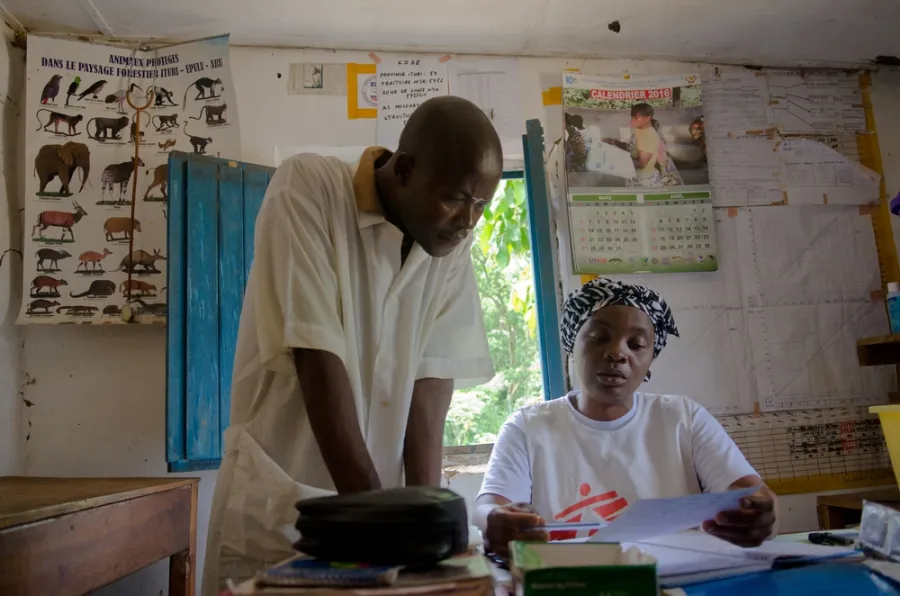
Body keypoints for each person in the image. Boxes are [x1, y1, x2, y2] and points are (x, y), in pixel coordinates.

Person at [203, 96, 503, 594]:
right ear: (404, 170)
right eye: (455, 197)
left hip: (376, 519)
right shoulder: (310, 188)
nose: (468, 220)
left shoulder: (450, 243)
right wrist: (384, 527)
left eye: (481, 205)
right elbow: (317, 356)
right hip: (285, 511)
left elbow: (430, 388)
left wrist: (430, 532)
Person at [474, 278, 778, 559]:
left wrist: (761, 516)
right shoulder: (528, 427)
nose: (617, 353)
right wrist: (492, 522)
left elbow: (755, 496)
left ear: (650, 360)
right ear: (571, 345)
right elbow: (489, 508)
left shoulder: (684, 418)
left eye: (636, 344)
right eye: (598, 337)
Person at [604, 103, 683, 187]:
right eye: (632, 117)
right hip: (633, 175)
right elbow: (631, 147)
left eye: (636, 118)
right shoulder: (639, 130)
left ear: (648, 118)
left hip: (643, 181)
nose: (632, 121)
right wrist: (615, 142)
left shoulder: (649, 136)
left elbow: (642, 163)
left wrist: (616, 161)